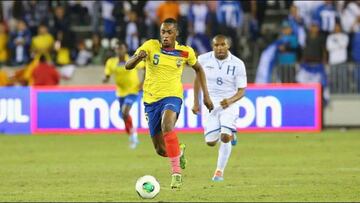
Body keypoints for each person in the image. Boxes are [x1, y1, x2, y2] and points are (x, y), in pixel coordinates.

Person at [125, 18, 213, 189]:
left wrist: (205, 97)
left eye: (169, 32)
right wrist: (137, 59)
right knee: (160, 150)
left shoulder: (185, 52)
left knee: (167, 125)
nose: (165, 36)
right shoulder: (150, 46)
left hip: (173, 97)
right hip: (151, 101)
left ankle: (176, 174)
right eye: (163, 32)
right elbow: (128, 66)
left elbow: (199, 69)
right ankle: (179, 151)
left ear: (176, 33)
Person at [192, 35, 247, 182]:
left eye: (223, 45)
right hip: (211, 103)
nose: (220, 48)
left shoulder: (238, 63)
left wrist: (229, 101)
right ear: (212, 46)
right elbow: (197, 80)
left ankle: (219, 172)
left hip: (230, 103)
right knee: (210, 142)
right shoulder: (203, 59)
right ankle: (232, 134)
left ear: (228, 46)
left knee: (224, 136)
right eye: (216, 45)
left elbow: (242, 91)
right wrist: (196, 102)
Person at [103, 41, 144, 149]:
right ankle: (131, 134)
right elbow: (107, 74)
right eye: (117, 48)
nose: (119, 50)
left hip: (133, 90)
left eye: (121, 48)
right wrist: (106, 78)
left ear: (125, 49)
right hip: (120, 92)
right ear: (115, 50)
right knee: (124, 115)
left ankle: (133, 135)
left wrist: (142, 83)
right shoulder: (111, 62)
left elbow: (146, 68)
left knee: (125, 111)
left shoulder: (132, 60)